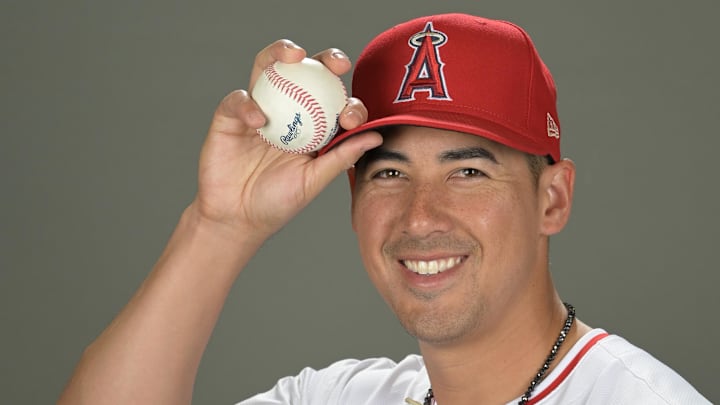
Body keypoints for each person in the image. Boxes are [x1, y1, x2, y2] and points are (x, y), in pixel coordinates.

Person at [58, 13, 710, 405]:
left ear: (552, 197)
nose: (421, 216)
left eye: (469, 170)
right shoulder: (342, 395)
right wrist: (218, 226)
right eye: (390, 171)